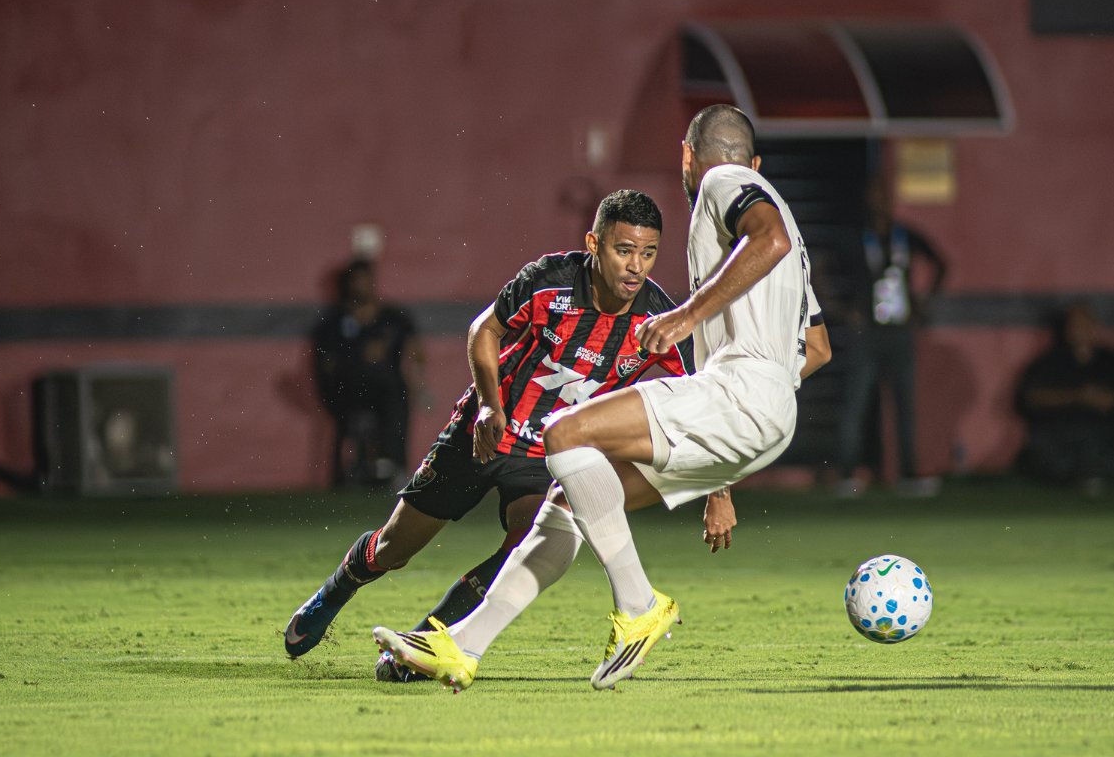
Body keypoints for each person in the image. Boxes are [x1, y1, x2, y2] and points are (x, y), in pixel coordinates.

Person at [373, 104, 831, 692]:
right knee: (565, 502)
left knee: (564, 433)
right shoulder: (793, 239)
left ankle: (639, 604)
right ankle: (462, 646)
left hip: (740, 390)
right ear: (758, 160)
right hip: (767, 411)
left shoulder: (725, 181)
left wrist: (688, 317)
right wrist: (766, 395)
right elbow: (816, 347)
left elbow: (766, 238)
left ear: (688, 156)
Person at [285, 189, 736, 681]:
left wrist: (719, 492)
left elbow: (696, 405)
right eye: (623, 250)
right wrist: (487, 405)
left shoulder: (656, 321)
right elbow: (485, 330)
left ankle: (428, 642)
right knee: (396, 547)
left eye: (648, 253)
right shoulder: (549, 281)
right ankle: (338, 588)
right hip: (485, 431)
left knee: (528, 543)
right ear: (594, 244)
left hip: (547, 456)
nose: (636, 266)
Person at [835, 173, 946, 497]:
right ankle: (847, 475)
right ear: (866, 201)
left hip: (900, 329)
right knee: (856, 404)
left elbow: (940, 263)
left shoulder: (904, 236)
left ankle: (908, 475)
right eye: (874, 195)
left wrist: (924, 300)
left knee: (905, 405)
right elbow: (822, 270)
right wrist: (843, 309)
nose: (880, 202)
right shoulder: (855, 237)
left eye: (884, 195)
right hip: (867, 332)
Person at [1014, 302, 1114, 491]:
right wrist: (1076, 396)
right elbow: (1029, 398)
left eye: (1085, 324)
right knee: (1039, 456)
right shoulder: (1048, 363)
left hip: (1110, 436)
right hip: (1062, 437)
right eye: (1075, 324)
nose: (1080, 330)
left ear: (1094, 327)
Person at [312, 258, 425, 487]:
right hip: (349, 391)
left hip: (388, 391)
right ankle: (355, 469)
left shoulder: (393, 318)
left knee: (396, 391)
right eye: (356, 281)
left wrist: (419, 382)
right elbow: (327, 364)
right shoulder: (334, 322)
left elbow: (416, 352)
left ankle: (393, 464)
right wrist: (359, 357)